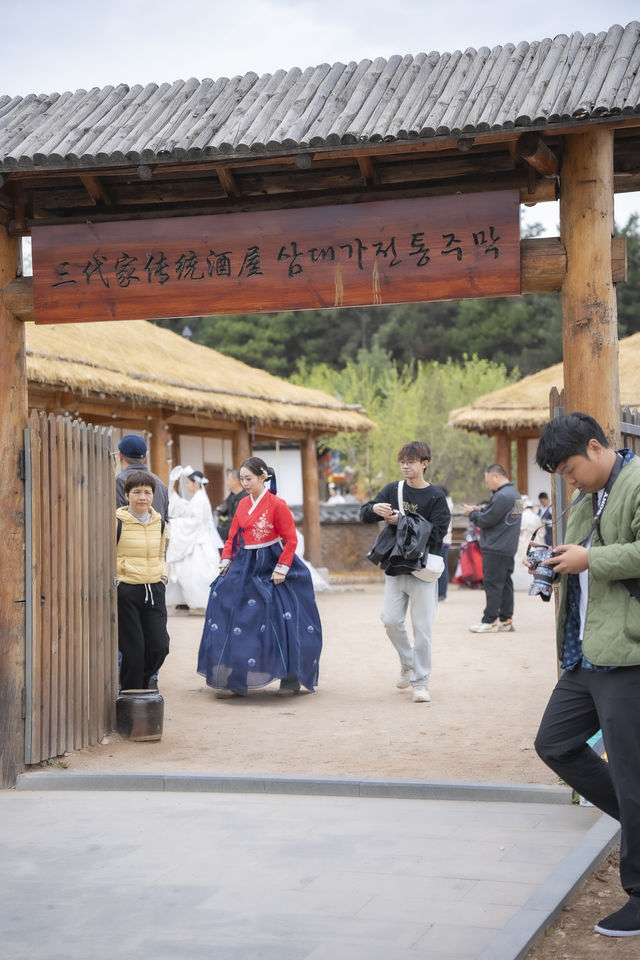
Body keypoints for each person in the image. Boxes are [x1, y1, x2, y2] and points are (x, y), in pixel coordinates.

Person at [532, 412, 640, 939]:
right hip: (583, 654)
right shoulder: (583, 497)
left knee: (631, 772)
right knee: (555, 744)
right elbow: (575, 559)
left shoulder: (637, 482)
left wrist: (589, 558)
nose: (569, 480)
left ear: (597, 448)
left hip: (628, 652)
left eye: (572, 469)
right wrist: (550, 563)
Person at [197, 457, 322, 698]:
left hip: (272, 562)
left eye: (249, 478)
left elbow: (291, 539)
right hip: (245, 563)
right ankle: (237, 677)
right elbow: (233, 535)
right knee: (229, 605)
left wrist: (282, 568)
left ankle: (290, 677)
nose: (244, 483)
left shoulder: (277, 504)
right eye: (242, 478)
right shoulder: (242, 504)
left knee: (282, 613)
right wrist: (226, 560)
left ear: (263, 477)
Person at [360, 441, 450, 703]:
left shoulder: (435, 497)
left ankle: (421, 682)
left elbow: (438, 532)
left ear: (425, 463)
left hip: (422, 570)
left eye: (411, 461)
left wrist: (404, 521)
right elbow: (364, 513)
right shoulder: (393, 490)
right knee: (389, 619)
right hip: (396, 568)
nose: (405, 466)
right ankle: (408, 662)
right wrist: (374, 509)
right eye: (402, 461)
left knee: (422, 629)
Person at [116, 471, 170, 691]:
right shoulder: (117, 522)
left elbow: (160, 553)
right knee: (133, 650)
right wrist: (118, 579)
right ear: (127, 494)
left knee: (159, 646)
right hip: (127, 590)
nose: (142, 497)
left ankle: (142, 683)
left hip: (154, 588)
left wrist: (163, 575)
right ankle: (131, 695)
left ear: (153, 495)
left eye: (147, 492)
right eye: (136, 492)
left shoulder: (159, 523)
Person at [463, 464, 522, 633]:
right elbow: (502, 516)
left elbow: (486, 520)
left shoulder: (501, 496)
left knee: (492, 584)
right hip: (509, 546)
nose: (487, 484)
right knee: (505, 583)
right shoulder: (516, 495)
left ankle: (490, 620)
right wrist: (479, 509)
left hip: (495, 546)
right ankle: (506, 619)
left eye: (488, 480)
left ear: (496, 477)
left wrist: (471, 514)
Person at [166, 465, 223, 610]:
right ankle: (190, 600)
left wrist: (175, 523)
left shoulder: (199, 499)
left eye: (188, 483)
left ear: (195, 484)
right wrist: (174, 493)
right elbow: (185, 509)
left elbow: (195, 521)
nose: (186, 486)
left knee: (197, 573)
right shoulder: (198, 498)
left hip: (199, 540)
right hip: (197, 539)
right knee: (190, 573)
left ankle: (201, 601)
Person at [115, 434, 169, 523]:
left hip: (131, 536)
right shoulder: (160, 483)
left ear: (120, 456)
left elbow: (118, 520)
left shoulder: (119, 481)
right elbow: (166, 520)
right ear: (145, 458)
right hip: (158, 536)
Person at [513, 495, 544, 591]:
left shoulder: (520, 517)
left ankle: (519, 584)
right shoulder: (535, 516)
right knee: (535, 561)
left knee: (522, 559)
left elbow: (517, 530)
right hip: (535, 540)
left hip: (522, 540)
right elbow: (542, 532)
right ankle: (537, 583)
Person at [215, 469, 248, 541]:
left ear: (236, 480)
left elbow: (237, 521)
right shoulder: (232, 496)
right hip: (229, 533)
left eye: (228, 480)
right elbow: (223, 510)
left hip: (240, 537)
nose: (227, 483)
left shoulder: (245, 497)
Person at [437, 488, 454, 601]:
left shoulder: (443, 504)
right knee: (442, 567)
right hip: (445, 540)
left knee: (441, 568)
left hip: (442, 540)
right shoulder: (448, 503)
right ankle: (441, 592)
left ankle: (442, 593)